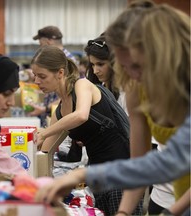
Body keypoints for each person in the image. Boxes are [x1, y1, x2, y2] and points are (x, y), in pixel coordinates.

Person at [31, 46, 142, 215]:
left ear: (60, 73)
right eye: (35, 76)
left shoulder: (82, 85)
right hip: (97, 175)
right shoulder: (60, 111)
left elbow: (81, 115)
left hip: (121, 171)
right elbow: (45, 150)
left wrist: (44, 133)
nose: (37, 82)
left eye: (42, 76)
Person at [105, 2, 190, 215]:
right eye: (124, 67)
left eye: (137, 66)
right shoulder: (138, 89)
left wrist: (172, 212)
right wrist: (123, 212)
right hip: (175, 194)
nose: (133, 75)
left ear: (160, 53)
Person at [34, 114, 190, 212]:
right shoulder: (137, 89)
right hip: (166, 195)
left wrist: (83, 174)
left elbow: (175, 159)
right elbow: (139, 163)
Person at [29, 25, 78, 128]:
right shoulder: (61, 105)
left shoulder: (66, 61)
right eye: (35, 75)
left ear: (49, 41)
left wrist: (45, 109)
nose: (40, 46)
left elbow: (80, 114)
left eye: (41, 43)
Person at [84, 34, 127, 114]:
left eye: (100, 64)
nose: (95, 71)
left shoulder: (125, 94)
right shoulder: (93, 87)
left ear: (114, 63)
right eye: (92, 64)